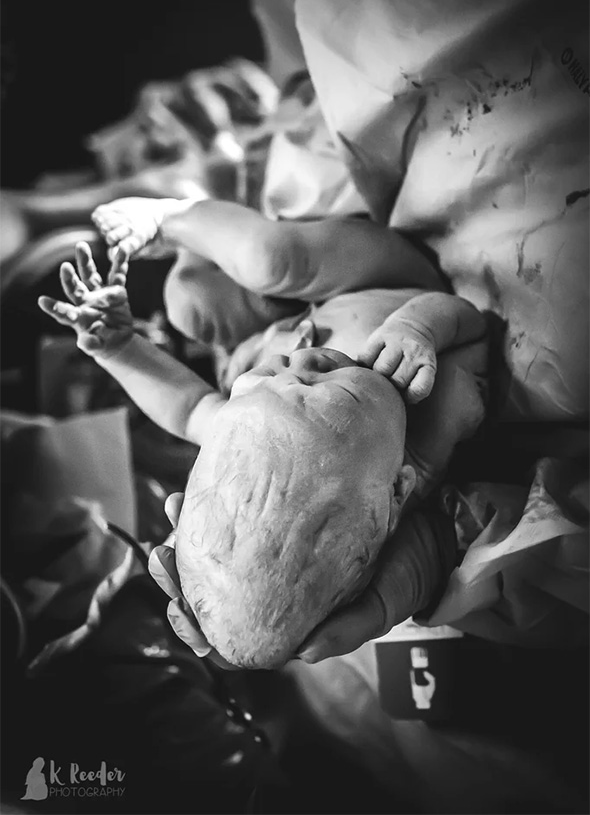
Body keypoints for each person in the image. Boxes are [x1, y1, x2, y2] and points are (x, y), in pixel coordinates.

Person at [38, 209, 487, 668]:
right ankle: (188, 215)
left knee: (188, 302)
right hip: (380, 279)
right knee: (267, 259)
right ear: (398, 490)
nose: (297, 364)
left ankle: (177, 216)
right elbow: (470, 323)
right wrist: (417, 329)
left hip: (277, 324)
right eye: (338, 392)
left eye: (261, 385)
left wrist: (119, 347)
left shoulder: (254, 430)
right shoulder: (431, 424)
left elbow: (189, 407)